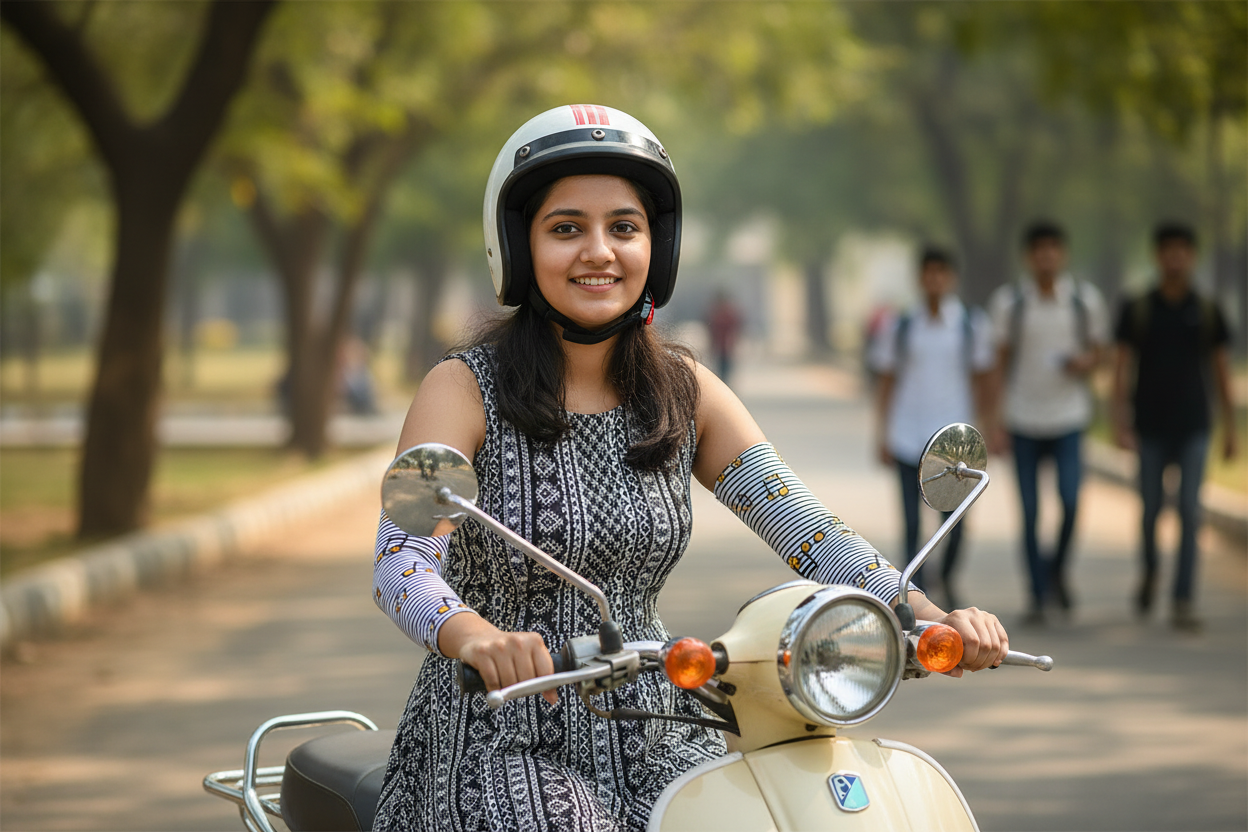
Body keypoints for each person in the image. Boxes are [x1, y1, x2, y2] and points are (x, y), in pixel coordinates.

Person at [371, 105, 1009, 831]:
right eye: (566, 229)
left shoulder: (684, 391)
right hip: (498, 729)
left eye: (624, 227)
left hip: (655, 724)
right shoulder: (463, 388)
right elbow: (401, 562)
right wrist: (475, 635)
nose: (599, 252)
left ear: (657, 246)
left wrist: (928, 615)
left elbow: (812, 533)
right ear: (518, 246)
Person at [1110, 222, 1237, 632]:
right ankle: (1150, 570)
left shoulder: (1207, 310)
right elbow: (1122, 366)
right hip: (1149, 427)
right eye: (1168, 249)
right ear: (1158, 255)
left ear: (1192, 256)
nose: (1175, 257)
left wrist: (1231, 428)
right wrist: (1119, 420)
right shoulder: (1139, 308)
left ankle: (1183, 598)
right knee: (1150, 511)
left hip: (1195, 426)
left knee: (1189, 511)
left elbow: (1220, 370)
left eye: (1183, 249)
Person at [989, 221, 1108, 624]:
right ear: (1029, 256)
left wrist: (1085, 362)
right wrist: (994, 422)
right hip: (1022, 417)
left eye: (1053, 248)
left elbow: (1101, 352)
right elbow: (998, 363)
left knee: (1071, 501)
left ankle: (1056, 570)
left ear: (1063, 254)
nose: (1047, 256)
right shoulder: (1010, 304)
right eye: (1039, 249)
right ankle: (1038, 594)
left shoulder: (1083, 301)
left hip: (1069, 416)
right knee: (1029, 512)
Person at [871, 246, 994, 611]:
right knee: (911, 524)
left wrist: (988, 427)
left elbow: (984, 379)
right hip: (908, 435)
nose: (935, 279)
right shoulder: (901, 326)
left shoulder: (970, 325)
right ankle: (917, 594)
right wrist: (881, 433)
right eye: (929, 272)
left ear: (951, 277)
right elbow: (887, 381)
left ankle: (948, 578)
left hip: (954, 443)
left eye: (942, 271)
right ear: (920, 277)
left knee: (954, 523)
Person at [705, 288, 743, 384]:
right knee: (723, 371)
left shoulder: (718, 313)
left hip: (724, 347)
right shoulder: (723, 313)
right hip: (723, 347)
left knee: (724, 372)